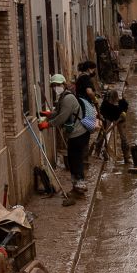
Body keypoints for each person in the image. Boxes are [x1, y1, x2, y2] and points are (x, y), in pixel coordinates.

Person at [44, 73, 91, 205]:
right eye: (54, 86)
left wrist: (48, 124)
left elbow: (62, 118)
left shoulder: (68, 98)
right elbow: (59, 113)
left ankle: (80, 189)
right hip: (75, 134)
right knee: (72, 160)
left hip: (79, 133)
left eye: (58, 85)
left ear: (64, 85)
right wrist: (49, 114)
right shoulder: (63, 97)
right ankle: (76, 187)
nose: (56, 88)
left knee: (75, 161)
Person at [93, 87, 131, 164]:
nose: (113, 103)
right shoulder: (106, 102)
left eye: (114, 102)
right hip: (108, 115)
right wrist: (101, 117)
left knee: (123, 137)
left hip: (120, 117)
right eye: (111, 102)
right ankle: (96, 152)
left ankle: (126, 157)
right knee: (102, 133)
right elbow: (102, 111)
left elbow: (125, 107)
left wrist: (124, 113)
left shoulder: (122, 101)